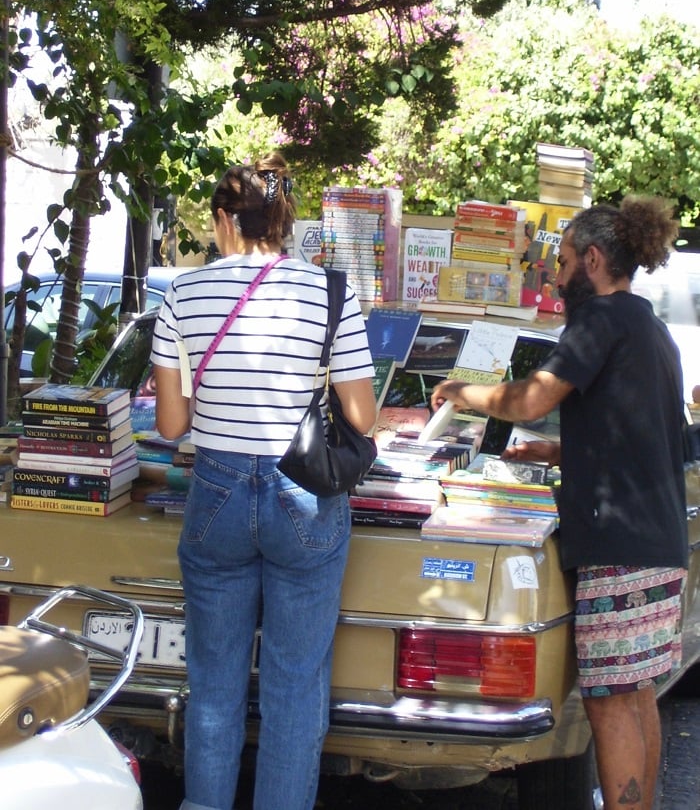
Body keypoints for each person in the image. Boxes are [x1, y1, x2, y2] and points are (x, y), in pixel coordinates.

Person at [430, 196, 688, 810]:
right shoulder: (651, 329)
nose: (555, 272)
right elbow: (649, 441)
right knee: (636, 692)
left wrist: (462, 391)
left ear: (593, 260)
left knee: (608, 701)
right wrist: (555, 456)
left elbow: (530, 400)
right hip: (657, 541)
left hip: (618, 549)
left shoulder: (598, 320)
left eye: (565, 260)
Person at [150, 151, 377, 810]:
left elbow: (170, 423)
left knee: (214, 687)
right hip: (304, 496)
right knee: (294, 688)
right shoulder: (330, 291)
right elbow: (362, 415)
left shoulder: (182, 293)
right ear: (284, 220)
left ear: (225, 219)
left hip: (216, 492)